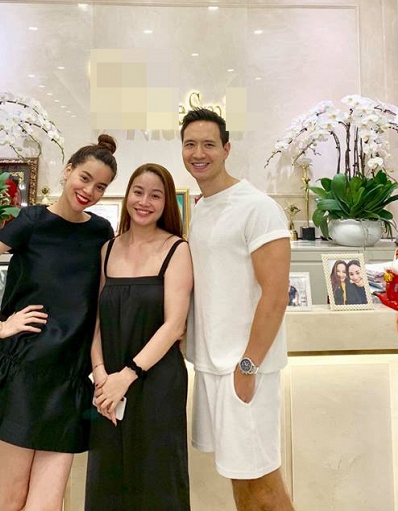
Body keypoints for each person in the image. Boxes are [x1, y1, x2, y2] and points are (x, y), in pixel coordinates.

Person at [0, 136, 118, 511]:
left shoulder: (101, 231)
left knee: (47, 504)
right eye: (85, 178)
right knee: (12, 497)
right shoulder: (32, 221)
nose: (89, 191)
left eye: (100, 186)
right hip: (22, 375)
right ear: (68, 171)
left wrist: (100, 367)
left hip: (69, 381)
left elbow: (101, 307)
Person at [181, 108, 295, 511]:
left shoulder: (257, 207)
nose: (199, 153)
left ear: (226, 149)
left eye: (209, 144)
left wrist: (248, 366)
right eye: (190, 144)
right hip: (213, 368)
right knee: (241, 480)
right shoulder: (202, 208)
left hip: (245, 369)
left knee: (263, 485)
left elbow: (276, 295)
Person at [85, 163, 193, 511]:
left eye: (155, 195)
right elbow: (97, 320)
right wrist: (101, 374)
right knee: (107, 481)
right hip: (108, 387)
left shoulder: (177, 249)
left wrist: (127, 376)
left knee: (157, 484)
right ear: (127, 195)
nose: (144, 202)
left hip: (157, 380)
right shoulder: (107, 249)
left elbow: (174, 326)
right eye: (138, 192)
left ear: (166, 203)